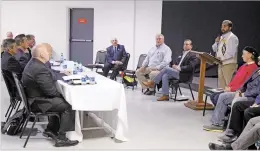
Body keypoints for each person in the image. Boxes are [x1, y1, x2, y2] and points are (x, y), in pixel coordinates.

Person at [22, 43, 78, 147]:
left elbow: (50, 78)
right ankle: (62, 138)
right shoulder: (39, 68)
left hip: (33, 98)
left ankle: (51, 129)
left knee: (60, 101)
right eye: (49, 52)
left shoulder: (34, 63)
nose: (51, 54)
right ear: (42, 55)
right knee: (69, 105)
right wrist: (63, 96)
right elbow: (51, 92)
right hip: (38, 102)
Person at [203, 66, 260, 132]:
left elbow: (257, 90)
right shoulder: (257, 69)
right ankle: (218, 124)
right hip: (244, 92)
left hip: (252, 97)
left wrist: (243, 94)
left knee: (236, 101)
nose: (258, 58)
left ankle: (231, 130)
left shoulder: (253, 67)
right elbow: (245, 83)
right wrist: (239, 91)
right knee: (223, 96)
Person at [212, 20, 239, 89]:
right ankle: (222, 99)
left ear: (230, 28)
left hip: (229, 64)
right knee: (222, 86)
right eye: (222, 26)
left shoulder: (233, 37)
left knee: (229, 85)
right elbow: (214, 49)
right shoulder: (221, 37)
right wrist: (216, 43)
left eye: (225, 26)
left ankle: (230, 99)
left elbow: (231, 53)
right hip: (221, 64)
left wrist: (220, 59)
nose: (222, 28)